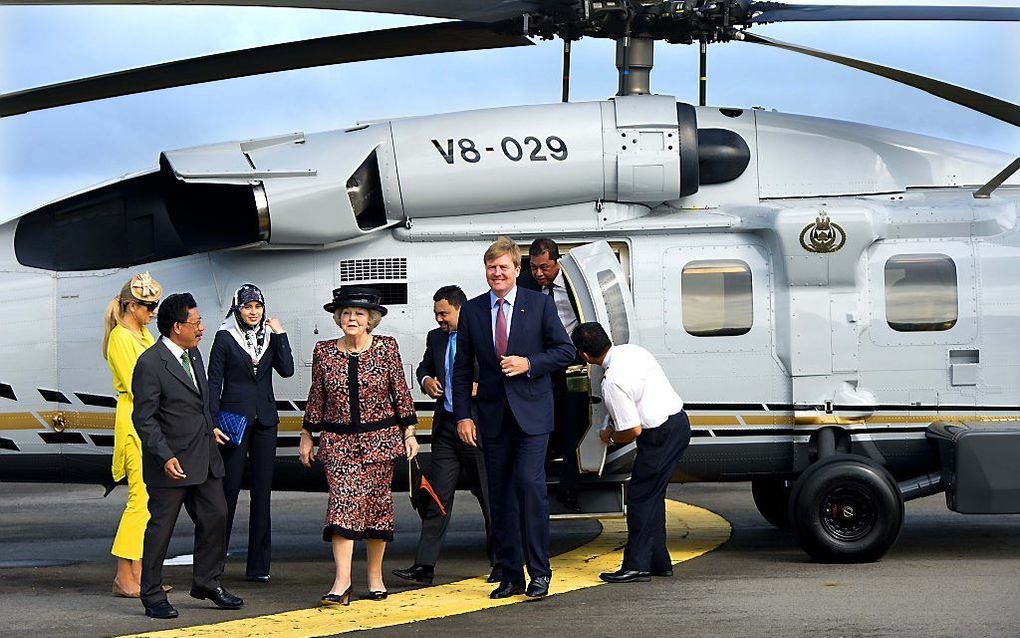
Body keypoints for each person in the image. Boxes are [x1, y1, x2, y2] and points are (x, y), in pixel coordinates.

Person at [452, 237, 576, 599]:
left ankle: (540, 572)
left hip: (533, 415)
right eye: (491, 268)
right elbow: (462, 369)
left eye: (504, 267)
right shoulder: (473, 311)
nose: (497, 273)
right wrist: (463, 415)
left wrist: (530, 364)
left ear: (516, 270)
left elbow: (565, 351)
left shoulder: (537, 304)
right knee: (501, 496)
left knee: (529, 485)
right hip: (492, 418)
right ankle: (510, 574)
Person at [299, 286, 419, 606]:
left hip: (380, 441)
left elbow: (400, 391)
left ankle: (375, 577)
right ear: (339, 318)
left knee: (376, 510)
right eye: (347, 313)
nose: (352, 318)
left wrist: (409, 431)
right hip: (338, 443)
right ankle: (342, 582)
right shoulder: (324, 351)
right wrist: (308, 434)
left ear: (371, 320)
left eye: (359, 313)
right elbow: (317, 396)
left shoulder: (386, 348)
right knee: (342, 504)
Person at [133, 293, 242, 619]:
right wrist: (164, 456)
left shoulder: (193, 354)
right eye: (196, 323)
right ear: (177, 326)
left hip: (204, 456)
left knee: (216, 517)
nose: (202, 329)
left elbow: (198, 402)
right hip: (171, 464)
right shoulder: (151, 363)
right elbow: (145, 419)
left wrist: (210, 429)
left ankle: (207, 582)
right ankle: (151, 594)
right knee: (161, 529)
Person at [392, 285, 498, 586]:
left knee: (491, 498)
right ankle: (425, 565)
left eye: (444, 314)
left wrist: (482, 385)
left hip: (478, 428)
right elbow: (425, 365)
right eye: (436, 314)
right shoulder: (436, 337)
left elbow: (500, 369)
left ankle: (502, 563)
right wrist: (425, 379)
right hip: (447, 428)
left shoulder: (483, 332)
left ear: (460, 309)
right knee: (436, 496)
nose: (439, 319)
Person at [570, 322, 691, 584]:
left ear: (585, 356)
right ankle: (659, 561)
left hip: (659, 435)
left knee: (639, 499)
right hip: (679, 423)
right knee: (653, 496)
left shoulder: (612, 382)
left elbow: (632, 430)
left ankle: (636, 565)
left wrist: (609, 436)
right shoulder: (634, 351)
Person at [207, 283, 295, 583]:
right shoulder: (224, 336)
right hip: (233, 420)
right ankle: (213, 565)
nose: (253, 312)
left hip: (265, 421)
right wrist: (212, 420)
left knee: (262, 494)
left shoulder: (270, 336)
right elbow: (213, 381)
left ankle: (259, 566)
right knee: (227, 491)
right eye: (247, 307)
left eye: (257, 306)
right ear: (237, 308)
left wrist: (281, 335)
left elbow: (287, 371)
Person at [103, 272, 162, 598]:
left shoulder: (143, 334)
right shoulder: (121, 339)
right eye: (147, 306)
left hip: (148, 421)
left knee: (149, 500)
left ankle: (139, 573)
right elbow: (138, 384)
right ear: (130, 306)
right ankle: (126, 576)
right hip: (136, 422)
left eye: (154, 305)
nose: (152, 311)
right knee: (139, 501)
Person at [528, 237, 585, 512]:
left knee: (572, 425)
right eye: (534, 267)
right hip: (542, 364)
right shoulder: (527, 285)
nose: (539, 274)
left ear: (557, 262)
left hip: (572, 363)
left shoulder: (576, 287)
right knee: (543, 425)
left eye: (545, 268)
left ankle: (569, 487)